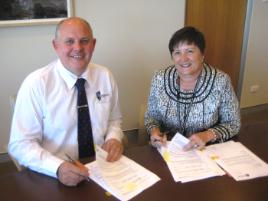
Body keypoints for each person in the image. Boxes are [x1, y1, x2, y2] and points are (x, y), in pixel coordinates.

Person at [8, 17, 124, 186]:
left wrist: (114, 138)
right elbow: (20, 144)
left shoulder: (105, 75)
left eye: (84, 41)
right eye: (69, 41)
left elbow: (114, 119)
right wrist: (57, 167)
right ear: (56, 46)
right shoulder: (36, 83)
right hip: (53, 174)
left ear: (93, 44)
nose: (78, 47)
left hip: (100, 169)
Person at [144, 26, 241, 150]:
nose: (183, 59)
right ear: (172, 57)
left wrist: (207, 135)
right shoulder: (159, 78)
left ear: (202, 55)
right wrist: (154, 131)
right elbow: (151, 117)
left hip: (205, 149)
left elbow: (233, 123)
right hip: (168, 148)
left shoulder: (221, 81)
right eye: (177, 52)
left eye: (190, 51)